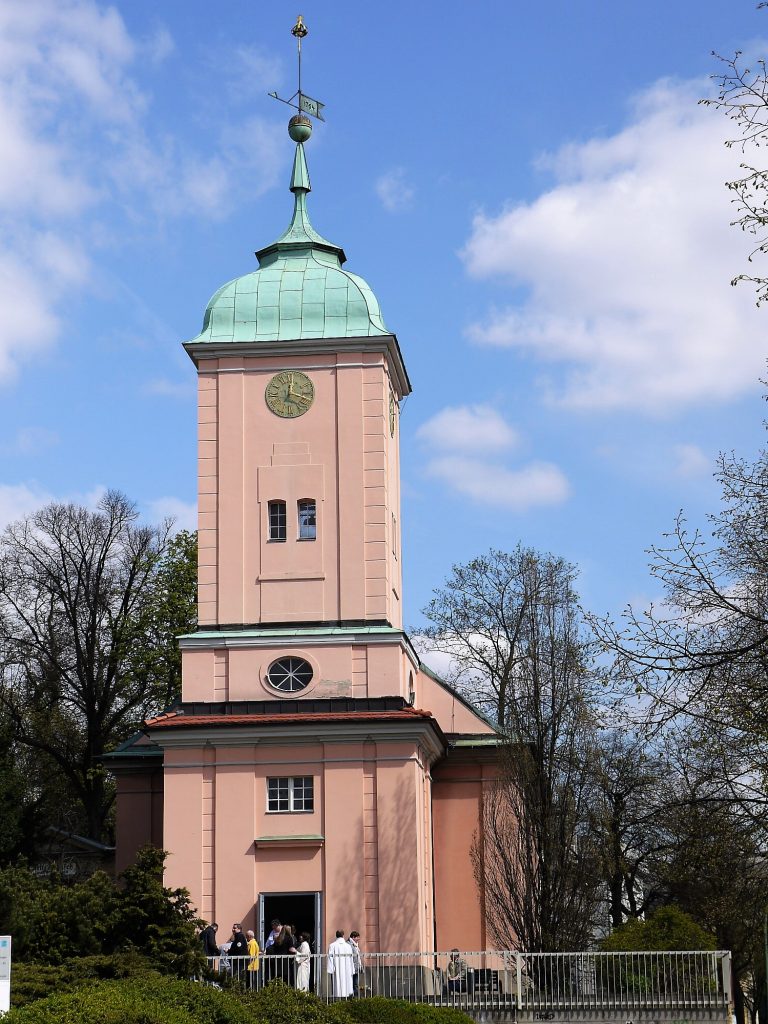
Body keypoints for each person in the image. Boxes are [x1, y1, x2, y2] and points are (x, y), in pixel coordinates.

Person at [327, 929, 354, 999]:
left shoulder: (332, 946)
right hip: (347, 969)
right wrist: (352, 969)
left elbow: (330, 958)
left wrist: (331, 969)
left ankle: (337, 999)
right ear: (343, 935)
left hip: (337, 969)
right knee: (346, 985)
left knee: (337, 986)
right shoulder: (348, 946)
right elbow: (351, 959)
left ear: (336, 935)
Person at [348, 931, 363, 997]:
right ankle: (354, 997)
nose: (358, 939)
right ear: (353, 937)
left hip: (356, 967)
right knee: (354, 983)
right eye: (357, 937)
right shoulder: (349, 944)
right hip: (352, 967)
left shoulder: (355, 945)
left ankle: (355, 997)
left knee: (355, 983)